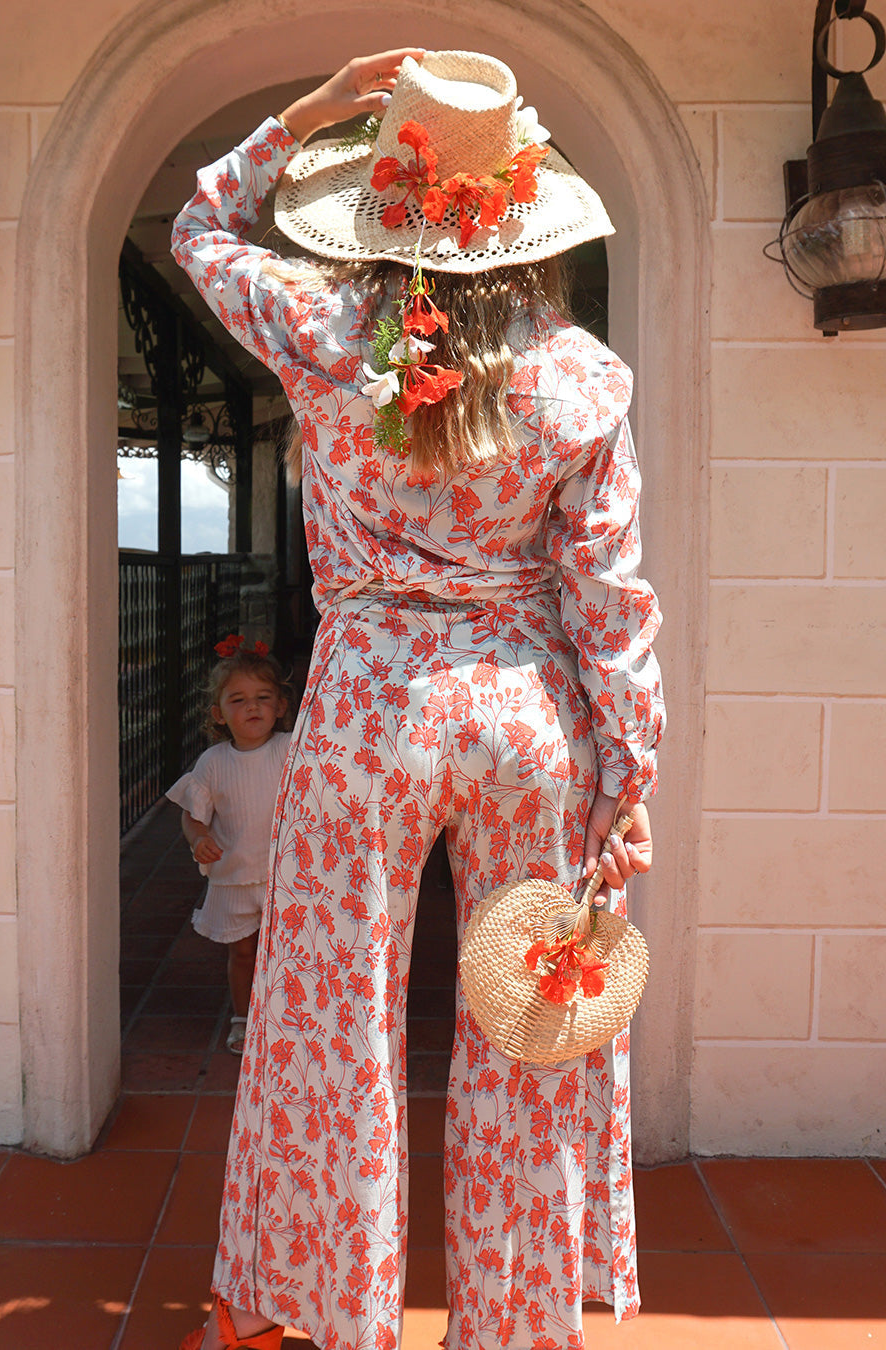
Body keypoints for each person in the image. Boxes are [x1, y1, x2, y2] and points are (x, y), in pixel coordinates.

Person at [172, 48, 664, 1350]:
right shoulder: (581, 376)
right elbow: (610, 601)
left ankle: (335, 1309)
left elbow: (196, 222)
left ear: (380, 197)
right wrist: (630, 779)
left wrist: (315, 103)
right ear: (525, 209)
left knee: (336, 1026)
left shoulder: (326, 332)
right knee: (524, 1029)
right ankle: (510, 1326)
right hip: (526, 715)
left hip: (368, 717)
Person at [167, 638, 294, 1054]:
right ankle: (243, 1017)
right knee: (242, 952)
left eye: (263, 697)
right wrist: (199, 838)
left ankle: (286, 1015)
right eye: (238, 700)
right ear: (219, 714)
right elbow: (193, 813)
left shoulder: (291, 750)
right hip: (236, 876)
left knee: (287, 952)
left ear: (280, 706)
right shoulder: (213, 763)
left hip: (286, 874)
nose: (252, 707)